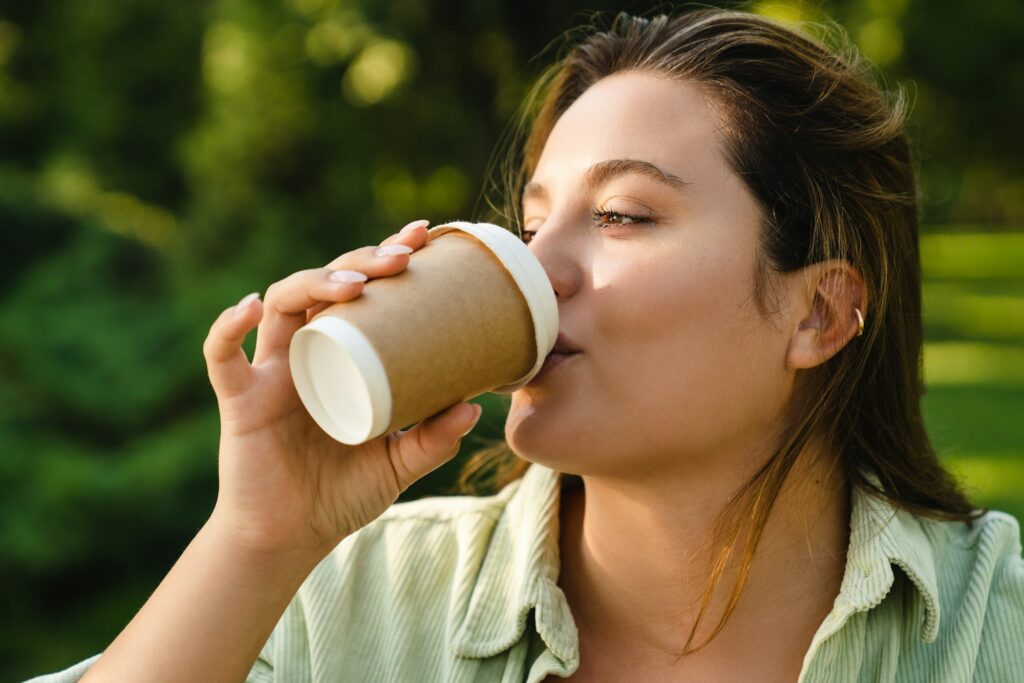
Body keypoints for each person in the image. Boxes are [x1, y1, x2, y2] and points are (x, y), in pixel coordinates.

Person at [28, 8, 1024, 683]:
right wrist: (257, 539)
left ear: (818, 313)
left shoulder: (994, 622)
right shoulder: (349, 594)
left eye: (625, 215)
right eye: (532, 218)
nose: (537, 269)